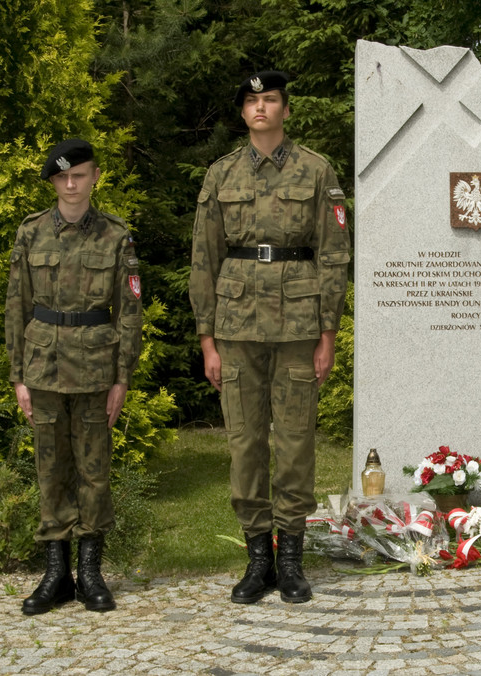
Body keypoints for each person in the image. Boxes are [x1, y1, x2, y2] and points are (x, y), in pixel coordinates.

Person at [189, 71, 351, 604]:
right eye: (252, 101)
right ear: (242, 112)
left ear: (285, 108)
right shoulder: (220, 174)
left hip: (298, 326)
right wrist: (207, 339)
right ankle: (258, 558)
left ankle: (293, 559)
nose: (261, 108)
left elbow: (333, 255)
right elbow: (204, 259)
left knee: (296, 441)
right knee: (245, 443)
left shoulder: (317, 170)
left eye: (270, 99)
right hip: (235, 327)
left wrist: (328, 333)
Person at [6, 138, 143, 614]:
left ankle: (90, 572)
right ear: (52, 182)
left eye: (79, 174)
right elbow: (16, 305)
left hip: (94, 370)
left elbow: (129, 310)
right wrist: (17, 376)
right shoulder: (30, 233)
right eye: (62, 177)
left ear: (95, 177)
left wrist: (122, 376)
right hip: (42, 367)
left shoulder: (115, 236)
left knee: (93, 471)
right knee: (50, 470)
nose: (70, 184)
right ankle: (55, 574)